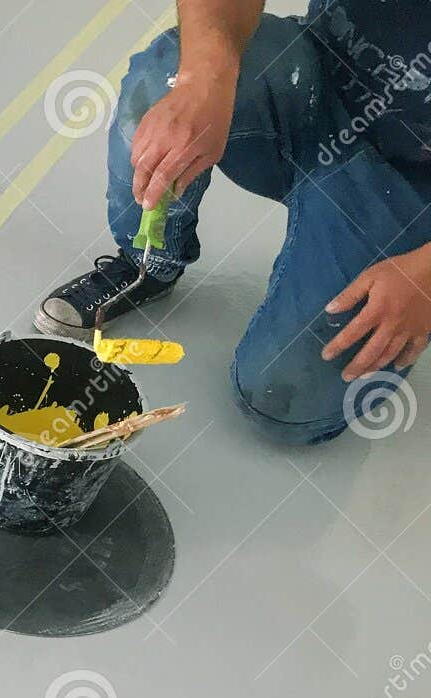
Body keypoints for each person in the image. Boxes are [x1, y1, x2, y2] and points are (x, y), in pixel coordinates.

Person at [35, 0, 431, 442]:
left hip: (413, 187)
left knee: (280, 397)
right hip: (317, 79)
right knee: (163, 83)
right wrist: (203, 79)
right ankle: (149, 265)